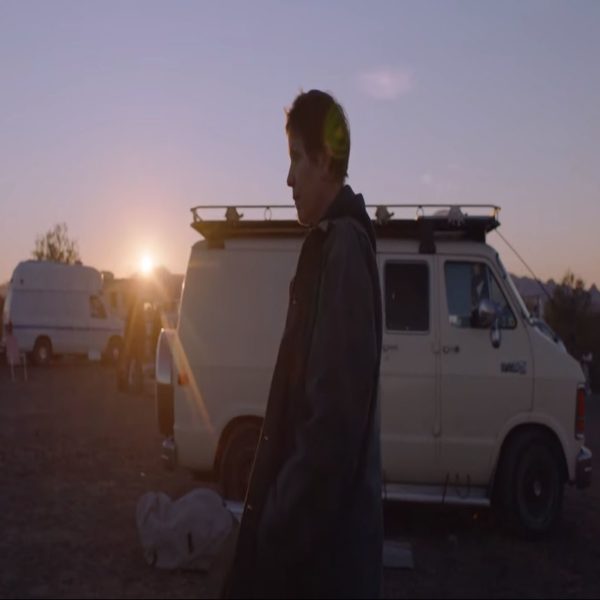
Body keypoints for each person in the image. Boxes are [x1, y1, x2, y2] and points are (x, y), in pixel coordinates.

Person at [227, 90, 383, 598]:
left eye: (296, 158)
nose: (288, 179)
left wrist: (278, 520)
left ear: (324, 160)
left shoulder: (343, 249)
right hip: (319, 552)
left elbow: (331, 423)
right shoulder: (331, 243)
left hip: (322, 562)